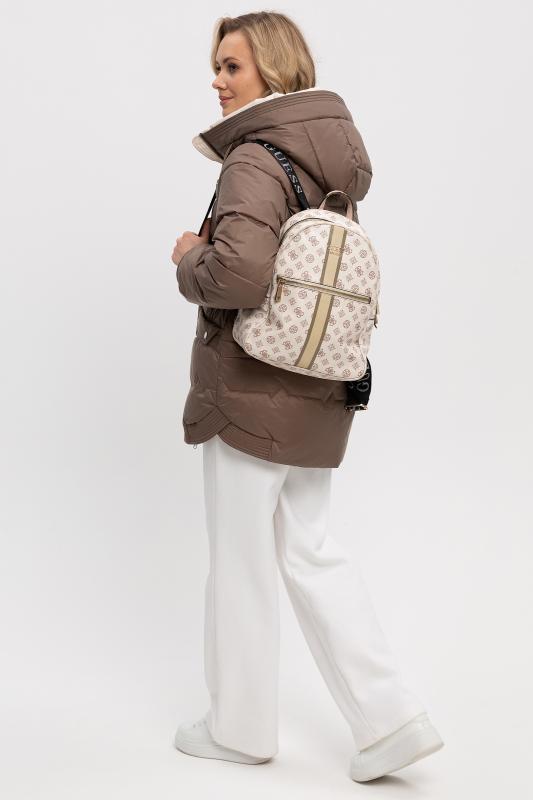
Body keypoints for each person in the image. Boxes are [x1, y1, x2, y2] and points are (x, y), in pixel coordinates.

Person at [171, 11, 444, 783]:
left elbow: (238, 275)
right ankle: (392, 720)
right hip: (318, 388)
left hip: (248, 390)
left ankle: (239, 728)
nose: (217, 81)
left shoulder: (255, 157)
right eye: (217, 66)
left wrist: (189, 257)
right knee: (312, 550)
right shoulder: (328, 162)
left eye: (231, 66)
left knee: (241, 561)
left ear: (273, 68)